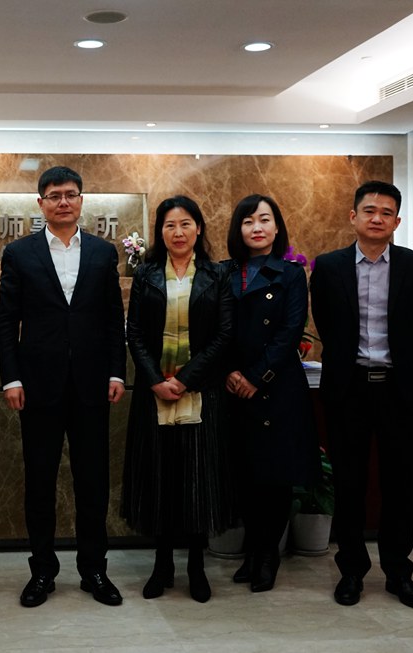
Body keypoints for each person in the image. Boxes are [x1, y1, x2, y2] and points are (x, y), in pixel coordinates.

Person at [0, 166, 127, 608]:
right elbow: (6, 322)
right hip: (38, 387)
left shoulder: (103, 253)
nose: (63, 202)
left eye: (70, 194)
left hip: (92, 386)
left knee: (93, 482)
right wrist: (11, 377)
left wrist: (116, 372)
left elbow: (113, 319)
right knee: (40, 482)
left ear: (82, 200)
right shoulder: (19, 253)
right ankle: (42, 572)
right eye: (54, 196)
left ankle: (94, 570)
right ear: (41, 204)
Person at [310, 180, 413, 610]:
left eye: (386, 213)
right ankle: (351, 571)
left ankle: (399, 572)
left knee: (400, 484)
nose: (377, 218)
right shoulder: (329, 267)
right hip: (349, 389)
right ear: (353, 216)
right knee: (350, 484)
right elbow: (326, 324)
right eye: (369, 211)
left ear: (396, 221)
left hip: (399, 389)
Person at [121, 195, 235, 603]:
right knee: (161, 479)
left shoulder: (216, 274)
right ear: (160, 232)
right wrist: (156, 381)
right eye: (169, 225)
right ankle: (162, 564)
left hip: (201, 392)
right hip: (155, 394)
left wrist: (185, 379)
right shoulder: (147, 274)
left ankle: (196, 567)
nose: (178, 232)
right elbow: (135, 333)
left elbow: (224, 334)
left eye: (185, 224)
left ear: (198, 228)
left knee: (198, 479)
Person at [222, 194, 318, 593]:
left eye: (264, 219)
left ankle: (268, 555)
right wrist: (229, 372)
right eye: (248, 221)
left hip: (277, 388)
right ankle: (252, 551)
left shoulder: (291, 274)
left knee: (275, 476)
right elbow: (215, 329)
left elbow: (290, 332)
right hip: (232, 388)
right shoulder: (224, 272)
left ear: (277, 228)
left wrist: (256, 376)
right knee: (244, 474)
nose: (256, 227)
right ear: (238, 229)